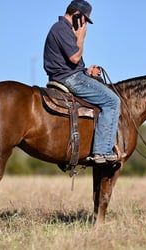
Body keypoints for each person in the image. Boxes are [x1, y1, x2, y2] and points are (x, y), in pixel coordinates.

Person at [43, 0, 120, 164]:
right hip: (70, 79)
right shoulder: (62, 28)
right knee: (113, 101)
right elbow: (75, 57)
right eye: (85, 19)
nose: (85, 24)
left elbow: (70, 63)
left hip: (71, 75)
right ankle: (102, 151)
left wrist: (87, 72)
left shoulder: (62, 29)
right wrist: (81, 37)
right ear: (77, 15)